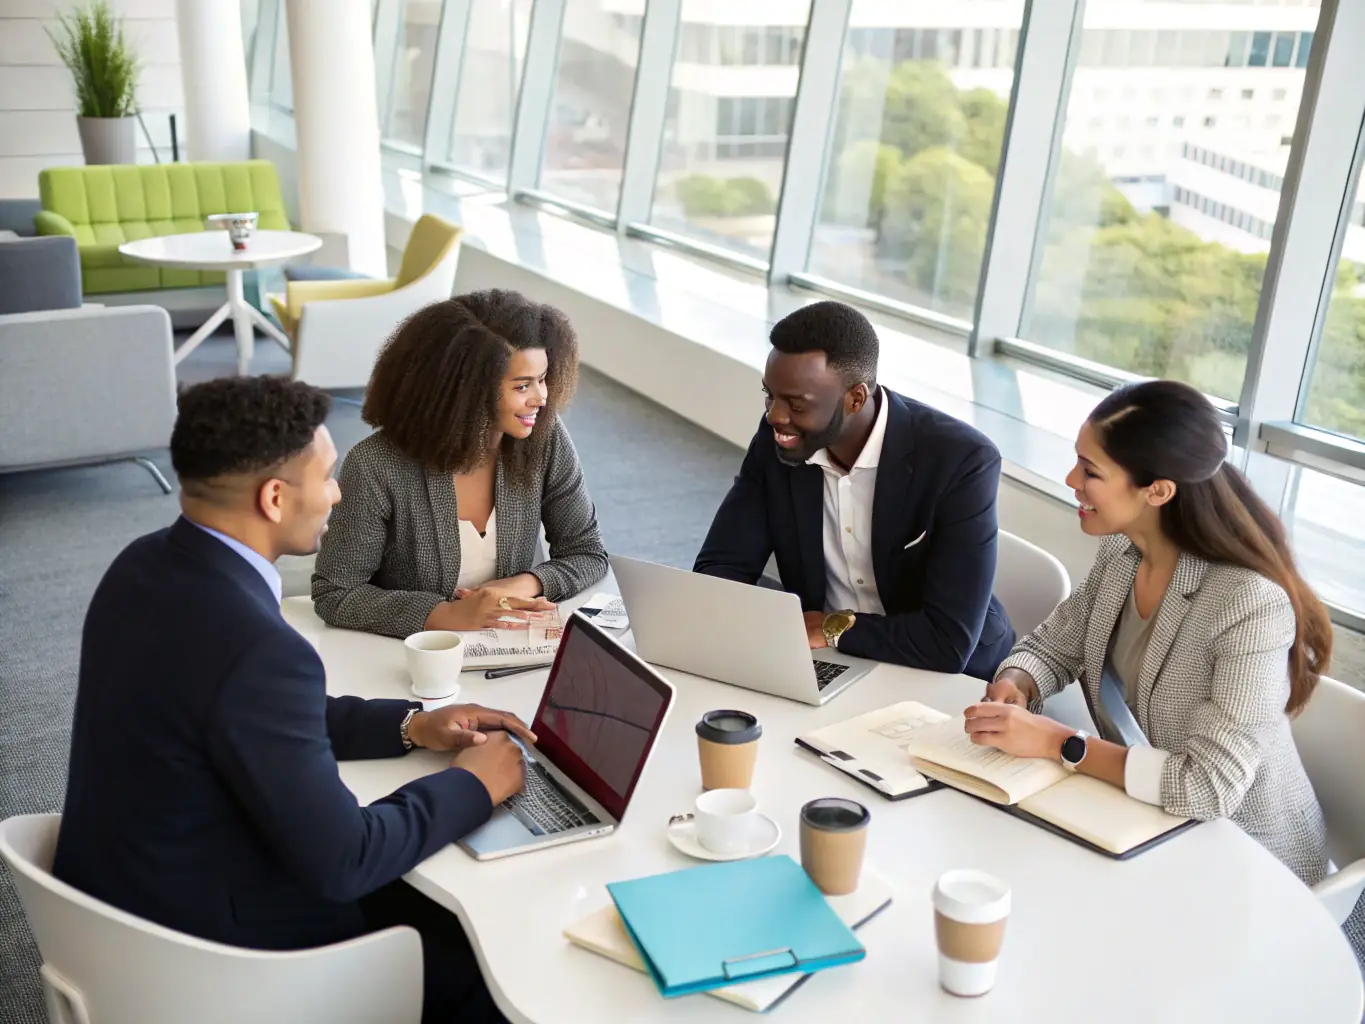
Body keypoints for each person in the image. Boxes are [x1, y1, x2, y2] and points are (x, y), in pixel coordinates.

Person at [54, 377, 528, 1023]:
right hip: (216, 953)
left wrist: (412, 726)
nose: (337, 494)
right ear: (275, 498)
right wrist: (475, 784)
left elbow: (238, 715)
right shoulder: (257, 649)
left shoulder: (141, 567)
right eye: (328, 476)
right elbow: (345, 861)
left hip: (118, 899)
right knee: (491, 957)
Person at [964, 380, 1330, 885]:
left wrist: (1060, 744)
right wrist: (1017, 684)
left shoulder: (1249, 603)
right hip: (1146, 827)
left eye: (1091, 471)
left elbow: (1208, 788)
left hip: (1247, 865)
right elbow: (1054, 646)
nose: (1071, 478)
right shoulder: (1123, 553)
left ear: (1157, 491)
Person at [694, 300, 1014, 679]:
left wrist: (832, 626)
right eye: (770, 396)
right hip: (828, 659)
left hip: (949, 678)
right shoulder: (778, 442)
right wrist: (781, 621)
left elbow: (946, 642)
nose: (775, 416)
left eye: (796, 404)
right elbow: (720, 568)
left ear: (855, 398)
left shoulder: (960, 460)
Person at [313, 289, 608, 638]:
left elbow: (587, 552)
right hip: (412, 657)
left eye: (542, 379)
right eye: (522, 385)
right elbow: (337, 592)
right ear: (464, 393)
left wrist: (523, 584)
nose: (541, 398)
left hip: (511, 651)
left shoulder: (545, 437)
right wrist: (446, 614)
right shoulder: (375, 465)